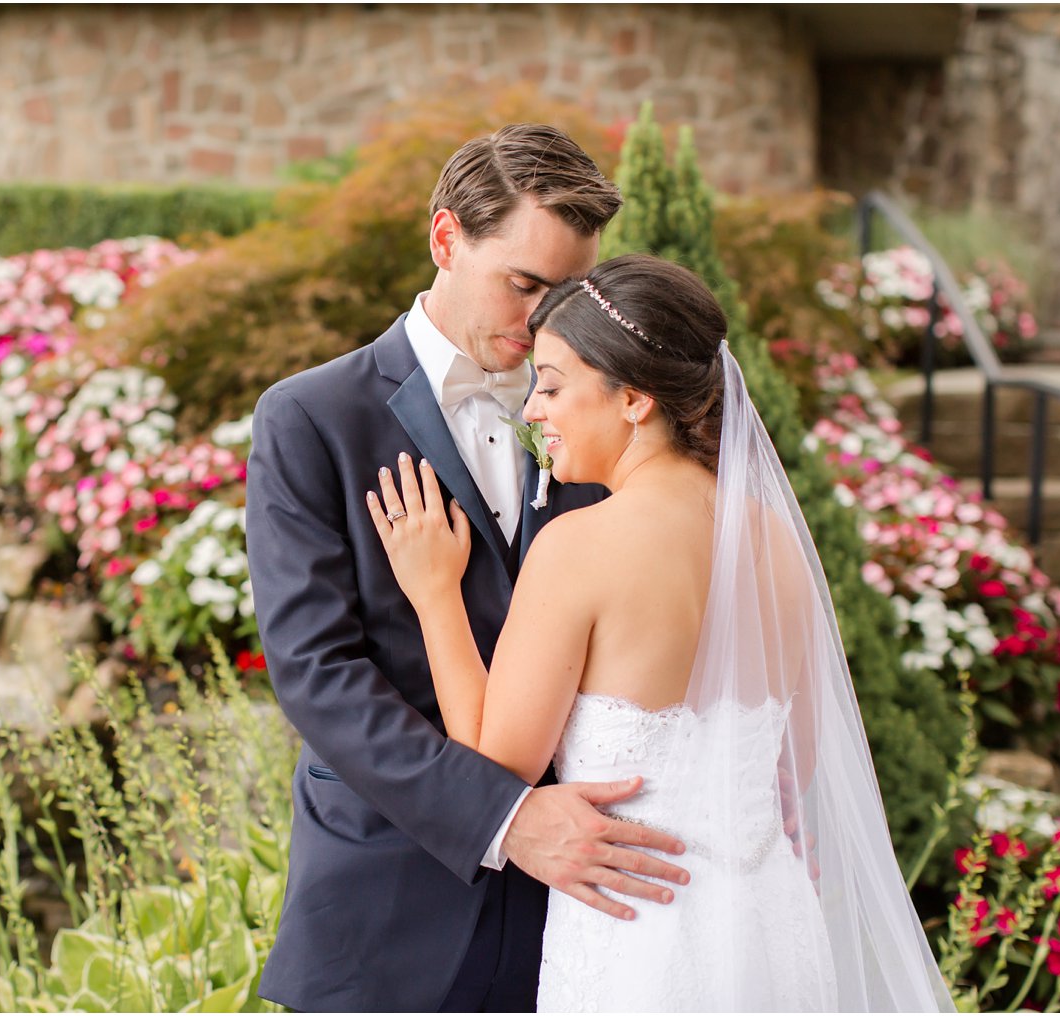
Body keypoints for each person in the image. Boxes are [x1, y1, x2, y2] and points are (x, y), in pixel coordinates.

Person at [366, 253, 956, 1011]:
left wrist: (434, 593)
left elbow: (493, 765)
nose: (534, 410)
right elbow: (796, 763)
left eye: (552, 384)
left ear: (636, 398)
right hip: (772, 926)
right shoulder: (773, 538)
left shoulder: (579, 547)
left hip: (640, 932)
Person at [245, 125, 692, 1013]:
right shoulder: (310, 418)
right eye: (524, 285)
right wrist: (505, 818)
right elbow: (318, 675)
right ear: (446, 240)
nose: (543, 323)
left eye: (566, 295)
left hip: (590, 901)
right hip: (386, 900)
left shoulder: (602, 417)